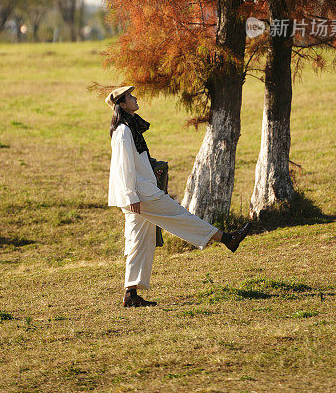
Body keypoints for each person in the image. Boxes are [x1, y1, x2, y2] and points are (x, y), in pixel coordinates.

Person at [106, 85, 252, 308]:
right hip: (140, 194)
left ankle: (131, 294)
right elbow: (122, 167)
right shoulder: (124, 131)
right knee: (180, 216)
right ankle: (226, 239)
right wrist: (130, 195)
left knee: (139, 242)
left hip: (139, 192)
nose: (135, 98)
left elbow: (135, 163)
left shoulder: (129, 128)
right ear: (123, 105)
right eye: (130, 96)